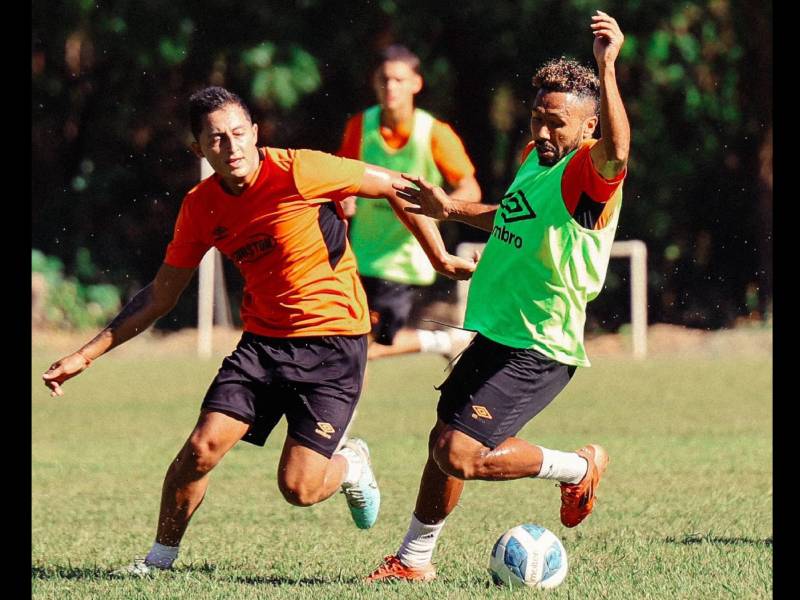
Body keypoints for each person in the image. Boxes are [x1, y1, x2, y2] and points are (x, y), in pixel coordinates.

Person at [41, 86, 477, 575]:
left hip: (334, 344)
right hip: (262, 346)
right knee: (200, 449)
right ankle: (158, 562)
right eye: (216, 139)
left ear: (254, 132)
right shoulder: (200, 206)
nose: (231, 147)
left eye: (238, 133)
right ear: (199, 149)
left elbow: (399, 185)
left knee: (299, 488)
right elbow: (161, 295)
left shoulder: (300, 169)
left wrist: (439, 257)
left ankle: (351, 464)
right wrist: (85, 354)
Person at [367, 11, 630, 582]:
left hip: (539, 342)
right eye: (537, 118)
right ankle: (413, 561)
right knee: (442, 442)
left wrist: (607, 69)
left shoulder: (588, 172)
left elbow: (617, 150)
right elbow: (511, 213)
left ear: (587, 128)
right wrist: (450, 210)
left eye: (557, 123)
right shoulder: (537, 159)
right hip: (497, 330)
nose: (543, 132)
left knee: (460, 452)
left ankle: (575, 468)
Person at [338, 44, 481, 360]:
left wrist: (440, 209)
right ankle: (443, 341)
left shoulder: (434, 133)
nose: (390, 87)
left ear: (416, 83)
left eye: (399, 80)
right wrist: (345, 197)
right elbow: (342, 177)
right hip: (359, 255)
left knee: (361, 346)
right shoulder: (360, 126)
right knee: (347, 342)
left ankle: (443, 341)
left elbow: (470, 188)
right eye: (384, 79)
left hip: (404, 261)